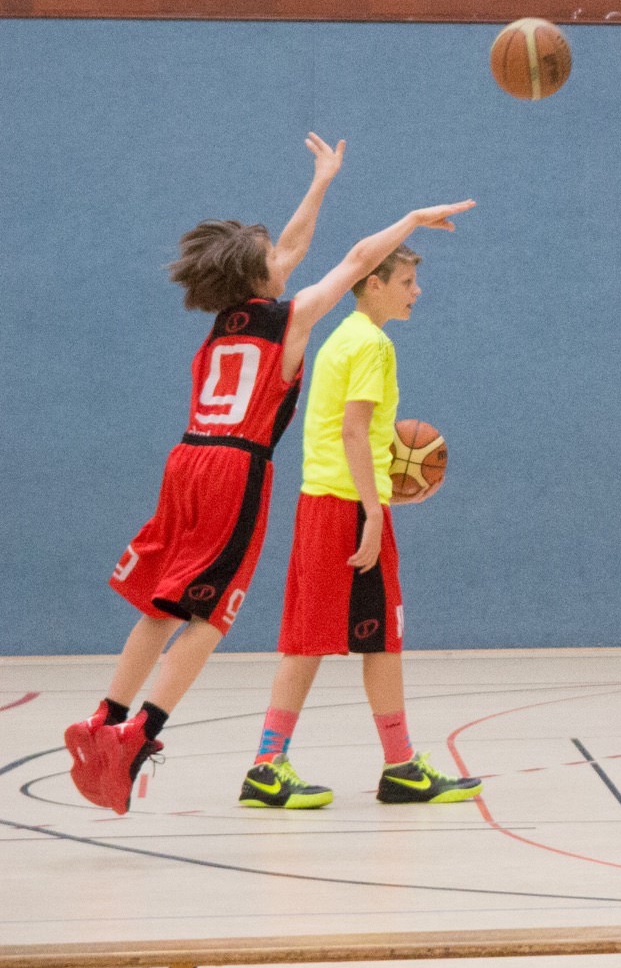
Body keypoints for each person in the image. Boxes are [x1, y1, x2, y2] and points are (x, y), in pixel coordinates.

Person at [70, 138, 473, 814]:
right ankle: (140, 735)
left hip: (185, 459)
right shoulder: (288, 322)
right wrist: (410, 218)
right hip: (233, 467)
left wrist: (321, 183)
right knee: (209, 616)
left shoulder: (225, 321)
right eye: (273, 257)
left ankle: (105, 716)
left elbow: (290, 245)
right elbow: (355, 260)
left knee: (161, 604)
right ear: (262, 277)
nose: (285, 256)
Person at [241, 238, 484, 807]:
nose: (416, 291)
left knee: (369, 639)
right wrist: (374, 510)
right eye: (406, 282)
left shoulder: (342, 337)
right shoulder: (372, 344)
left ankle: (394, 765)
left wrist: (379, 493)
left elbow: (349, 436)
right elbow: (353, 430)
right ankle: (270, 767)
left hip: (328, 500)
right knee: (329, 642)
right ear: (374, 284)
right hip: (346, 508)